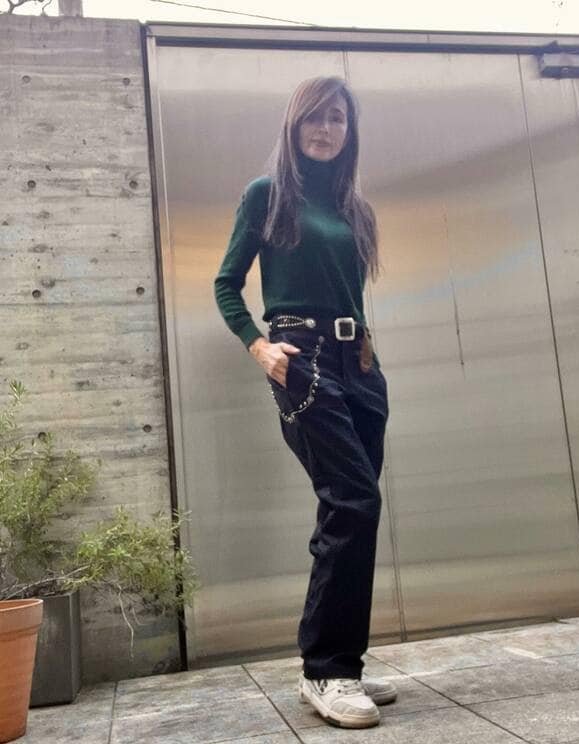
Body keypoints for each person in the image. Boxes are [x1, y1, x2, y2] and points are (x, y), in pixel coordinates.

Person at [214, 76, 396, 729]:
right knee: (353, 501)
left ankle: (340, 664)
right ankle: (326, 670)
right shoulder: (267, 195)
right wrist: (259, 347)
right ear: (294, 126)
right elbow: (227, 284)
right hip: (303, 359)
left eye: (337, 119)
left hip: (360, 363)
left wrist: (366, 358)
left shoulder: (356, 210)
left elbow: (350, 293)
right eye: (314, 118)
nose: (325, 129)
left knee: (351, 513)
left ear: (350, 131)